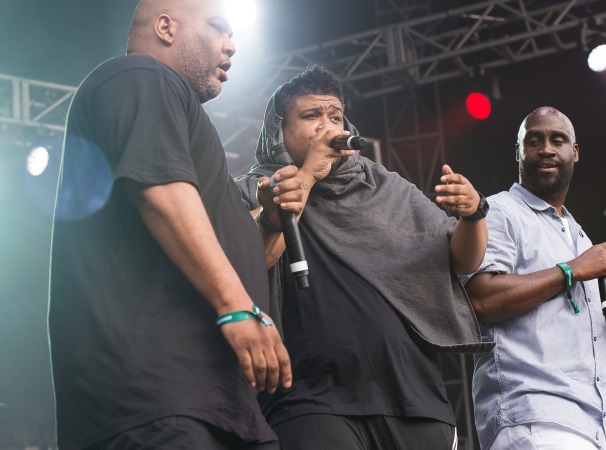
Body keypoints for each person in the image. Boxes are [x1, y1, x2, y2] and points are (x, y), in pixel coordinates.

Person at [48, 1, 291, 449]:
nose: (232, 46)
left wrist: (270, 224)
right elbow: (161, 194)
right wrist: (238, 307)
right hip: (158, 399)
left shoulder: (174, 109)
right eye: (219, 28)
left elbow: (228, 253)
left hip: (219, 402)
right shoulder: (138, 75)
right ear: (165, 26)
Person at [234, 65, 493, 450]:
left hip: (415, 398)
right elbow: (240, 267)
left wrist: (474, 214)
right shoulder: (254, 191)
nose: (328, 127)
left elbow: (460, 260)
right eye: (311, 116)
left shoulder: (386, 187)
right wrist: (307, 174)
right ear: (278, 132)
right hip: (310, 400)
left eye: (335, 116)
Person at [463, 106, 606, 450]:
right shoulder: (499, 211)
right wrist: (572, 269)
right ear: (519, 152)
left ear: (574, 153)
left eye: (557, 140)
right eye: (534, 141)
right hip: (535, 416)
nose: (546, 148)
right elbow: (482, 300)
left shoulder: (580, 238)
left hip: (597, 424)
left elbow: (556, 332)